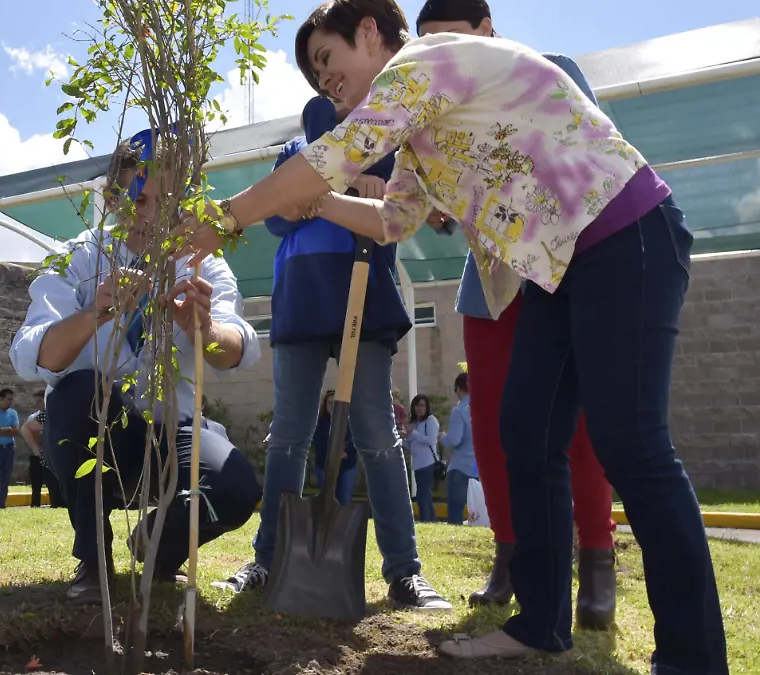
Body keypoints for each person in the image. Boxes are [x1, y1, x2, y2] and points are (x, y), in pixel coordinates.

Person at [179, 0, 725, 670]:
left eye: (327, 59)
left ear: (372, 32)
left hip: (624, 235)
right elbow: (394, 220)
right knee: (525, 431)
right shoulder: (417, 125)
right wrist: (319, 202)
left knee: (632, 444)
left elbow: (334, 156)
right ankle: (540, 623)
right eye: (316, 75)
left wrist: (228, 217)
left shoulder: (423, 63)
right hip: (558, 268)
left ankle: (695, 658)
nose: (325, 82)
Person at [415, 0, 618, 629]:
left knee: (574, 427)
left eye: (453, 41)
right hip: (489, 291)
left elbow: (585, 165)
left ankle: (598, 562)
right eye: (429, 47)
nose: (442, 58)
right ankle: (509, 557)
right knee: (494, 429)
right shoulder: (435, 110)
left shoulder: (554, 70)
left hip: (556, 280)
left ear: (487, 31)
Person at [214, 86, 449, 612]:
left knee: (378, 436)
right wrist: (328, 188)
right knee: (288, 436)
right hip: (300, 298)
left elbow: (399, 217)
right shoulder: (293, 153)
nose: (337, 96)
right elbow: (275, 217)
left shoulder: (388, 153)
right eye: (324, 84)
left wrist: (366, 190)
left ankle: (404, 572)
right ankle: (268, 559)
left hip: (364, 298)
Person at [9, 132, 263, 604]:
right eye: (140, 201)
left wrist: (202, 330)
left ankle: (158, 547)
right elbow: (32, 356)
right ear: (111, 200)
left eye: (168, 203)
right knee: (78, 391)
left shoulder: (201, 263)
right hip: (101, 434)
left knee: (234, 486)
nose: (153, 217)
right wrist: (93, 315)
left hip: (174, 433)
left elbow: (236, 350)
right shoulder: (79, 257)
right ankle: (93, 558)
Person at [440, 372, 476, 525]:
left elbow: (454, 440)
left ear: (458, 389)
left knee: (455, 513)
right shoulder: (481, 408)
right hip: (478, 468)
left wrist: (442, 437)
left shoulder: (459, 410)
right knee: (478, 512)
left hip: (460, 467)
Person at [311, 390, 358, 506]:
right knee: (328, 500)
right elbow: (318, 443)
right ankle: (328, 524)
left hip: (347, 465)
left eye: (335, 403)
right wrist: (333, 453)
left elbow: (355, 442)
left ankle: (343, 523)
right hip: (325, 466)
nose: (332, 406)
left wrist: (345, 452)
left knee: (345, 500)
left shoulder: (350, 422)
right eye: (330, 403)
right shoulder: (320, 423)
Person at [404, 394, 439, 522]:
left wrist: (413, 433)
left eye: (423, 405)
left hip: (428, 463)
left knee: (422, 496)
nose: (420, 408)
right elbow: (411, 445)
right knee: (424, 496)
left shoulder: (430, 420)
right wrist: (404, 437)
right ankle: (432, 521)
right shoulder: (413, 423)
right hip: (418, 464)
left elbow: (431, 440)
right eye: (417, 405)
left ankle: (426, 521)